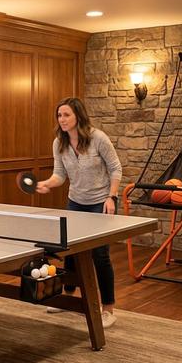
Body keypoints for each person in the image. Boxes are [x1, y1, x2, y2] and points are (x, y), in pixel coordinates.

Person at [34, 97, 122, 329]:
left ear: (78, 117)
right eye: (59, 115)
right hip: (76, 201)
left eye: (66, 115)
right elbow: (60, 175)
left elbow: (115, 168)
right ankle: (67, 297)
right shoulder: (59, 143)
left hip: (101, 202)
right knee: (70, 251)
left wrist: (111, 197)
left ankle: (108, 309)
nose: (62, 119)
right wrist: (47, 184)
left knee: (100, 256)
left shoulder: (98, 138)